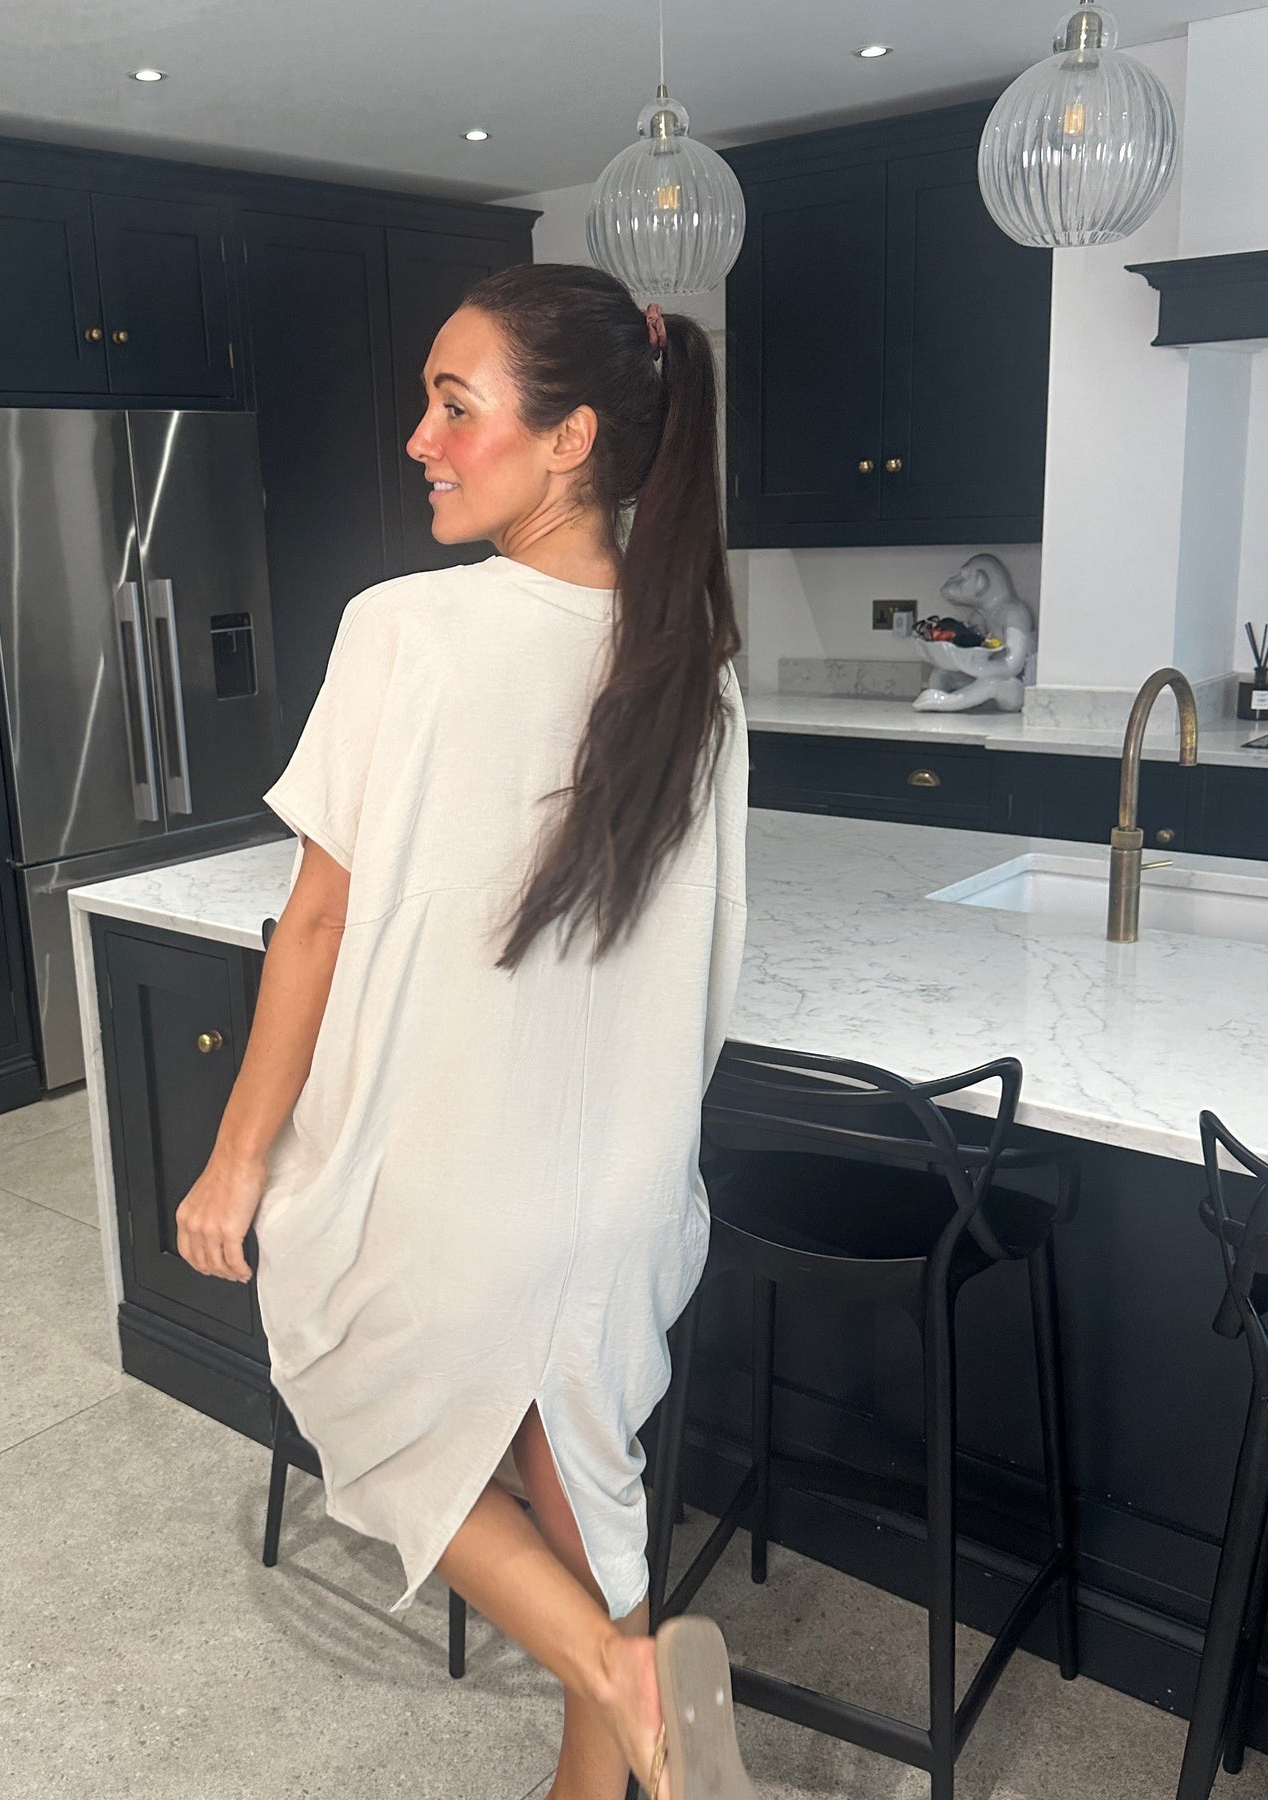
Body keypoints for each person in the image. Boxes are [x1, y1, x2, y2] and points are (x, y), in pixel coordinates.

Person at [174, 262, 754, 1800]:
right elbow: (706, 957)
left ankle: (621, 1679)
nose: (419, 440)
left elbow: (316, 925)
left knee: (349, 1390)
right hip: (619, 1188)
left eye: (453, 405)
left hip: (455, 1179)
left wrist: (239, 1160)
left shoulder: (406, 632)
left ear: (569, 441)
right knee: (583, 1479)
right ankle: (600, 1774)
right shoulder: (696, 672)